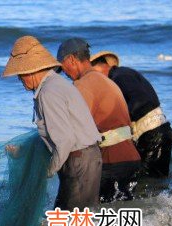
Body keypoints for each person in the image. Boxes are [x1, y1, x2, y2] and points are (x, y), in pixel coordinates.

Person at [3, 36, 102, 210]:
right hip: (85, 158)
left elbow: (64, 140)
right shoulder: (55, 84)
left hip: (78, 160)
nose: (20, 81)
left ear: (31, 71)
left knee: (71, 222)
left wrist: (48, 171)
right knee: (78, 218)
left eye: (20, 75)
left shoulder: (48, 92)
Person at [57, 38, 141, 203]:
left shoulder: (82, 85)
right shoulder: (106, 80)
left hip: (112, 161)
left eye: (63, 67)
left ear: (72, 60)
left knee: (100, 218)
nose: (65, 73)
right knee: (123, 216)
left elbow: (74, 128)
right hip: (131, 158)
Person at [90, 51, 172, 178]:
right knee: (155, 181)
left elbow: (140, 102)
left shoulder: (119, 77)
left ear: (100, 67)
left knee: (147, 181)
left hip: (152, 135)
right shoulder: (124, 73)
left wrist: (121, 119)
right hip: (159, 131)